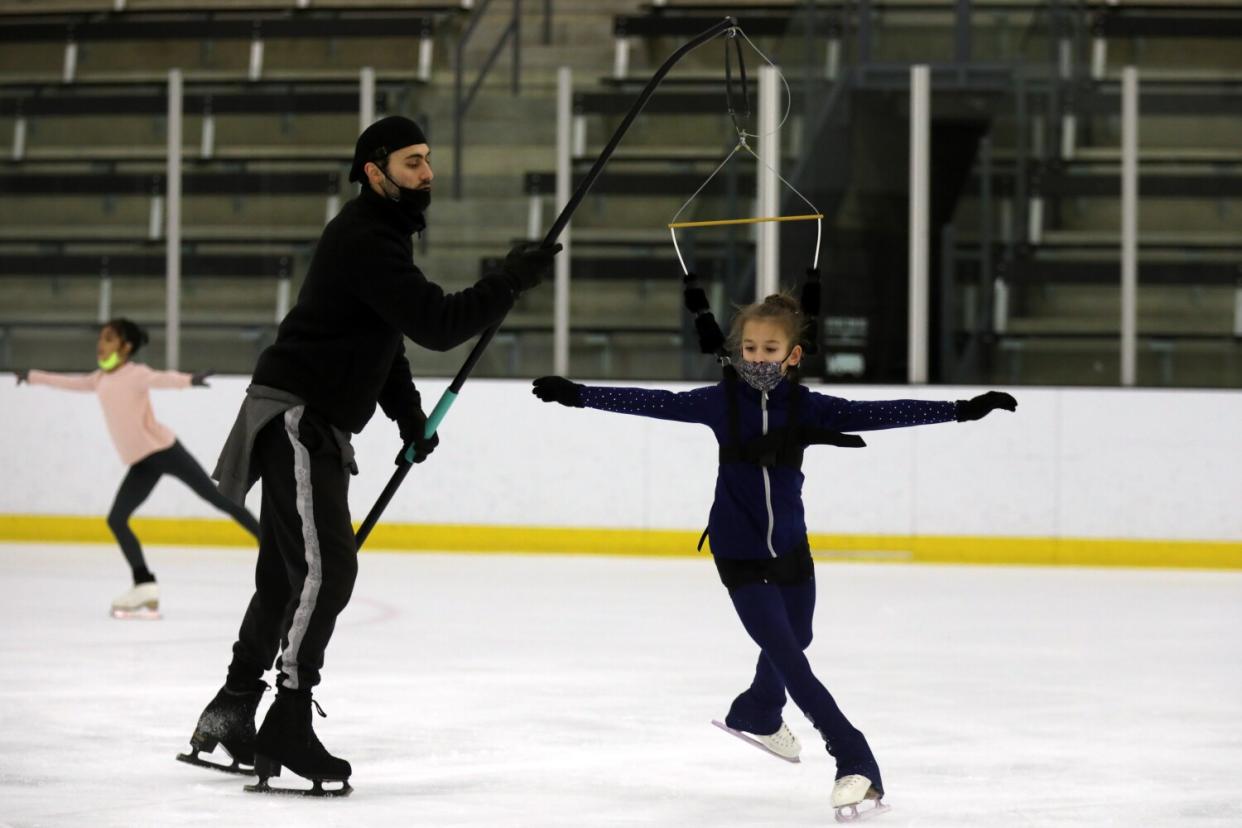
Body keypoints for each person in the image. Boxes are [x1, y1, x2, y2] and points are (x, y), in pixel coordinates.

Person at [179, 115, 560, 795]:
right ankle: (287, 718)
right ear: (373, 170)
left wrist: (408, 414)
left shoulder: (382, 237)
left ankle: (234, 709)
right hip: (299, 417)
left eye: (429, 160)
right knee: (331, 569)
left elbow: (386, 337)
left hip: (307, 416)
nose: (428, 173)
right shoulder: (363, 237)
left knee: (286, 575)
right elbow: (439, 324)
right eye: (414, 162)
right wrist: (507, 281)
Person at [531, 293, 1016, 821]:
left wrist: (961, 411)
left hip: (791, 547)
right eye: (750, 347)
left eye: (770, 347)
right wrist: (579, 395)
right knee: (791, 657)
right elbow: (656, 402)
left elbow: (879, 413)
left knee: (798, 638)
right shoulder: (721, 403)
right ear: (737, 351)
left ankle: (758, 711)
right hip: (739, 554)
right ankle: (856, 762)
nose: (759, 357)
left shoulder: (807, 407)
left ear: (793, 354)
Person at [15, 318, 258, 619]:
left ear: (125, 346)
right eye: (101, 338)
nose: (100, 344)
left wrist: (189, 380)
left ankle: (272, 546)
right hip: (141, 463)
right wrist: (32, 376)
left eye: (108, 339)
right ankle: (144, 584)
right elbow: (69, 382)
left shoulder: (135, 374)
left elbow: (162, 379)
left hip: (165, 450)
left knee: (218, 498)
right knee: (117, 520)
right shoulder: (100, 379)